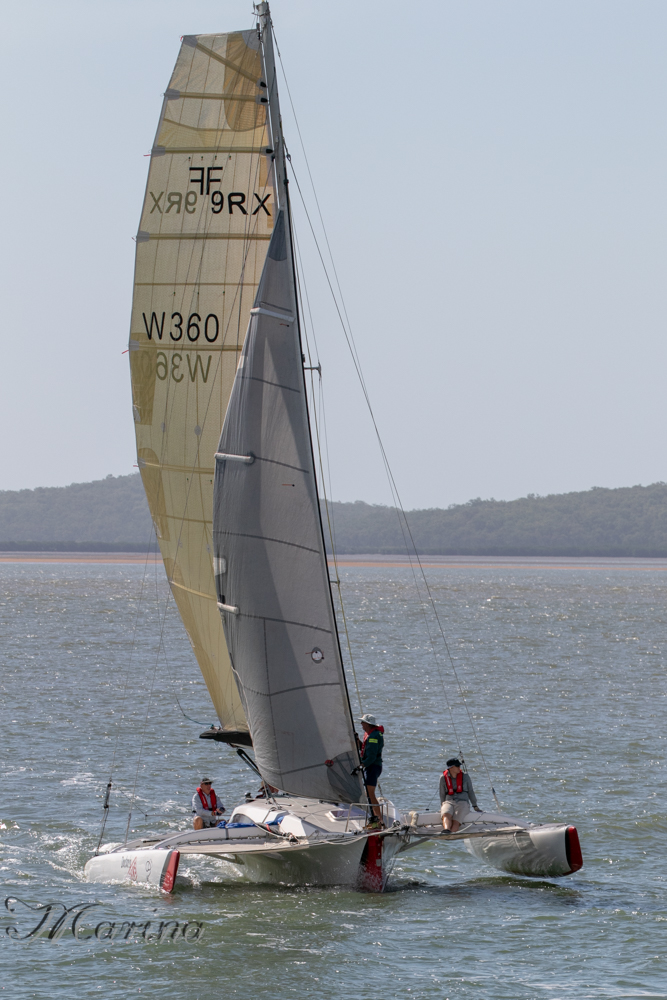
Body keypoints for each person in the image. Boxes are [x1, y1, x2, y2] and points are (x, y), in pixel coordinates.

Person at [440, 758, 481, 833]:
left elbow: (470, 791)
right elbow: (442, 793)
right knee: (446, 814)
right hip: (449, 801)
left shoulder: (465, 776)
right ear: (451, 768)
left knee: (456, 819)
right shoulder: (443, 778)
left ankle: (451, 834)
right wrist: (442, 805)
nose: (459, 767)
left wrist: (475, 805)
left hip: (463, 802)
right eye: (457, 766)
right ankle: (446, 830)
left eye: (459, 766)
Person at [358, 713, 385, 830]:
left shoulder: (373, 736)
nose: (361, 724)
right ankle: (375, 819)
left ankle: (379, 821)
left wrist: (362, 765)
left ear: (368, 724)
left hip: (373, 767)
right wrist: (357, 740)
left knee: (370, 793)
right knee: (368, 794)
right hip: (371, 766)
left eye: (363, 722)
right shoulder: (369, 734)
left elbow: (372, 756)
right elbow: (365, 749)